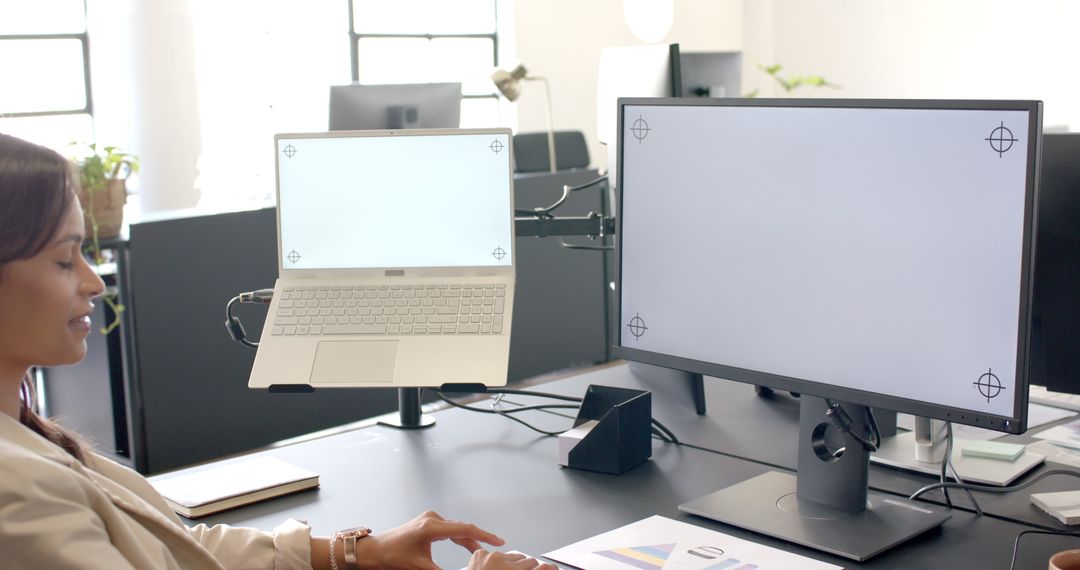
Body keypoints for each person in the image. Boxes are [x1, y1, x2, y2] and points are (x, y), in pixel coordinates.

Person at [0, 133, 556, 570]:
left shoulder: (26, 437)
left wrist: (357, 550)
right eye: (64, 259)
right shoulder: (21, 493)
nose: (94, 284)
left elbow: (177, 549)